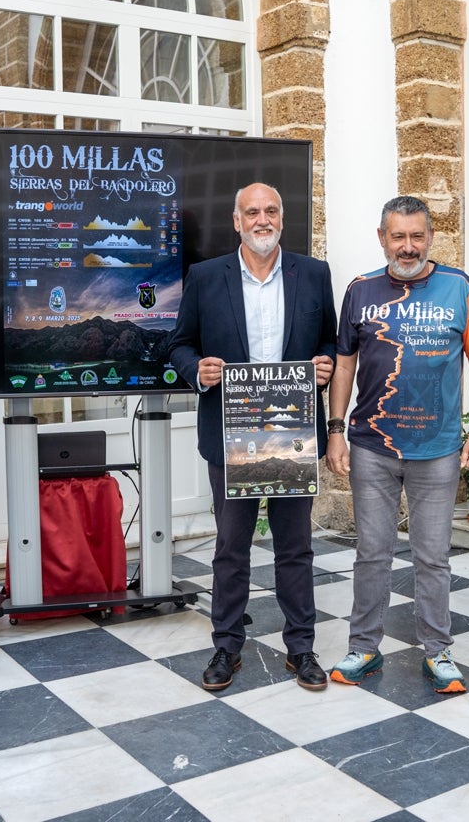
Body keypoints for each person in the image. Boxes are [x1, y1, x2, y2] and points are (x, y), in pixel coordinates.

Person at [168, 182, 337, 692]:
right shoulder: (204, 277)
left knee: (295, 546)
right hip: (229, 433)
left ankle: (301, 648)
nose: (262, 219)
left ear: (281, 219)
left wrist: (325, 364)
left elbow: (328, 337)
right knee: (231, 546)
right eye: (251, 212)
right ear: (236, 222)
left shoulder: (313, 273)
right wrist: (199, 369)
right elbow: (178, 346)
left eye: (271, 211)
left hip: (292, 434)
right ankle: (226, 645)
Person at [326, 195, 469, 694]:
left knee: (433, 557)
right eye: (397, 236)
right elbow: (344, 364)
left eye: (417, 236)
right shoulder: (360, 291)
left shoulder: (458, 287)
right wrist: (335, 429)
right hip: (372, 447)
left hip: (438, 447)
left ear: (430, 236)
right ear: (383, 238)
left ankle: (438, 651)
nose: (408, 246)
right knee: (371, 553)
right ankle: (363, 648)